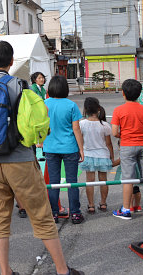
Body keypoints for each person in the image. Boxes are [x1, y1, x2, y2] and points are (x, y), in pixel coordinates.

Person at [0, 41, 83, 275]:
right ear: (11, 63)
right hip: (19, 160)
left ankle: (5, 272)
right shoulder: (20, 86)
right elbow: (36, 122)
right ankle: (62, 270)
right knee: (40, 215)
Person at [111, 79, 143, 220]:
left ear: (123, 94)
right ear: (138, 94)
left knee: (128, 179)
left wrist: (124, 135)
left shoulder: (118, 110)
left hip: (127, 146)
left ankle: (126, 209)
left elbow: (114, 132)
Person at [43, 75, 85, 224]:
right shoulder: (71, 105)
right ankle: (75, 213)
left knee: (53, 182)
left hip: (50, 147)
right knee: (72, 182)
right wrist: (81, 148)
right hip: (69, 147)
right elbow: (76, 129)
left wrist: (39, 142)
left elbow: (39, 126)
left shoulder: (44, 104)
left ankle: (53, 213)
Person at [79, 97, 113, 213]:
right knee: (104, 180)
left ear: (85, 109)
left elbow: (80, 141)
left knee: (90, 181)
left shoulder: (82, 124)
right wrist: (112, 157)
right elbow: (108, 144)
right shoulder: (105, 125)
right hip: (103, 155)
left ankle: (91, 204)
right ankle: (103, 203)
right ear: (98, 109)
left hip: (88, 155)